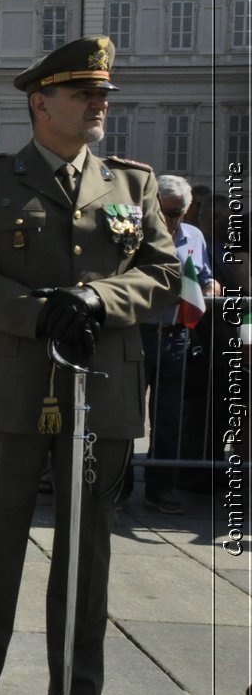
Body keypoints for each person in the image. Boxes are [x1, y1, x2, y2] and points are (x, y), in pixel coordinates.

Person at [0, 35, 179, 695]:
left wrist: (98, 298)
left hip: (101, 391)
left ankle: (78, 688)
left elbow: (164, 275)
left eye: (103, 94)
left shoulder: (133, 184)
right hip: (11, 386)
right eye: (86, 94)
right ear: (42, 103)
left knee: (90, 546)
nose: (100, 104)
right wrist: (38, 309)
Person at [134, 174, 219, 515]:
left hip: (176, 336)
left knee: (169, 418)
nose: (171, 220)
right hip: (139, 333)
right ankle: (118, 486)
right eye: (164, 212)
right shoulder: (136, 233)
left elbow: (207, 275)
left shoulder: (195, 236)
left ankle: (161, 489)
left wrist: (210, 290)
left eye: (178, 212)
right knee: (128, 416)